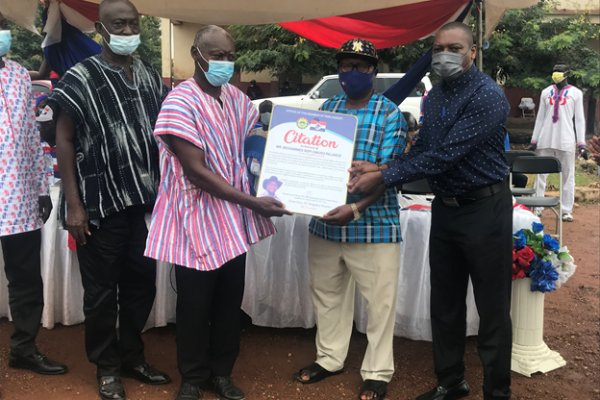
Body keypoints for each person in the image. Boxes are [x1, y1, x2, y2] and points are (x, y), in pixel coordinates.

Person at [348, 22, 513, 400]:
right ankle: (451, 381)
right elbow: (423, 149)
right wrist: (382, 167)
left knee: (492, 309)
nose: (444, 55)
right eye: (438, 48)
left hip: (485, 209)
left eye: (454, 48)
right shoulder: (436, 96)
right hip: (447, 210)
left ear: (472, 52)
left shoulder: (488, 96)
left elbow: (445, 156)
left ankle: (497, 392)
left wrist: (383, 178)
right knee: (445, 301)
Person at [144, 25, 289, 400]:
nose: (225, 63)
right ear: (196, 54)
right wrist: (253, 201)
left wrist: (278, 168)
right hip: (196, 222)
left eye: (229, 55)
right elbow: (195, 170)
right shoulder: (180, 102)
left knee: (228, 303)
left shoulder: (237, 100)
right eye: (217, 55)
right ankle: (192, 378)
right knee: (194, 304)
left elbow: (257, 139)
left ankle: (221, 373)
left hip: (232, 224)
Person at [48, 1, 171, 399]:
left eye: (133, 24)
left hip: (142, 202)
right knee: (101, 294)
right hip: (97, 205)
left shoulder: (150, 76)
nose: (128, 30)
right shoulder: (79, 77)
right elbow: (62, 139)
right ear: (101, 30)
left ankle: (132, 354)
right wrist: (74, 204)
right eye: (119, 24)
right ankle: (106, 366)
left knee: (142, 285)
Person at [293, 38, 407, 400]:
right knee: (327, 296)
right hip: (325, 221)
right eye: (346, 65)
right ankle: (329, 358)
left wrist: (356, 208)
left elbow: (392, 172)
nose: (352, 73)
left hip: (374, 224)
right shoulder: (327, 107)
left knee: (379, 305)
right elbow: (307, 161)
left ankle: (377, 372)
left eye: (361, 66)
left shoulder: (389, 113)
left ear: (374, 70)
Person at [0, 25, 67, 378]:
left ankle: (24, 348)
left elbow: (31, 135)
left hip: (19, 196)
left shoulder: (16, 76)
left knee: (25, 277)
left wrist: (42, 188)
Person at [528, 64, 588, 222]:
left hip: (566, 140)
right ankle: (537, 207)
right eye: (554, 71)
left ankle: (566, 210)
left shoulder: (576, 93)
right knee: (540, 175)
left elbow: (580, 120)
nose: (556, 74)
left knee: (568, 176)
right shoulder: (546, 92)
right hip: (545, 139)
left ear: (567, 74)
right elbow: (540, 117)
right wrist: (534, 140)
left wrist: (581, 144)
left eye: (559, 72)